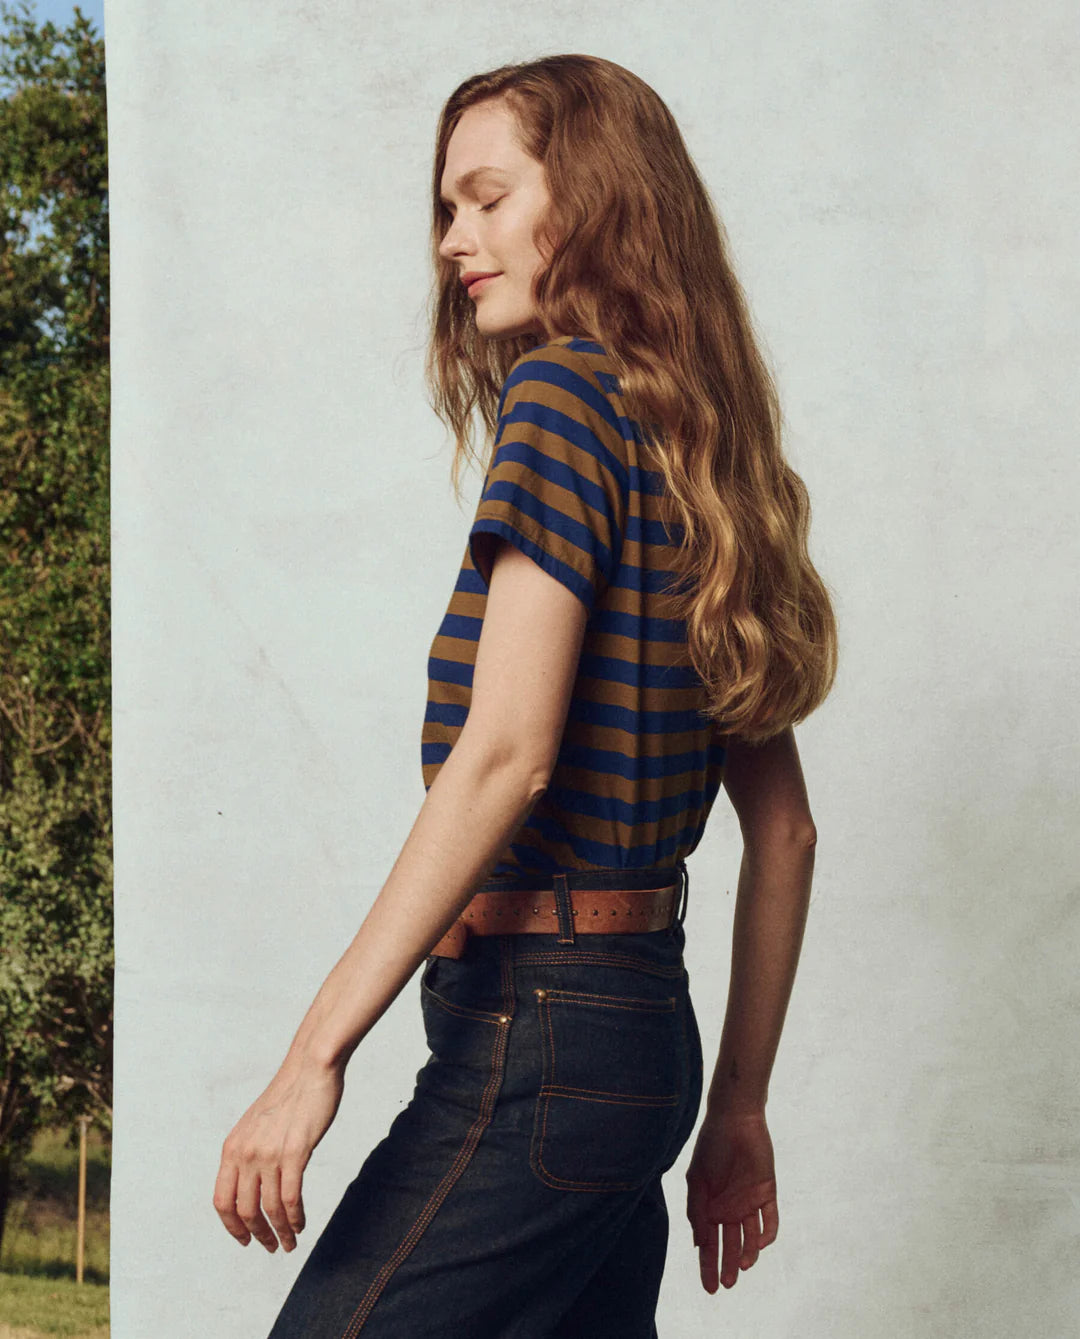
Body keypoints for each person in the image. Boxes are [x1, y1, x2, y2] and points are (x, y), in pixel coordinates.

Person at [213, 53, 837, 1338]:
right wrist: (737, 1105)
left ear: (596, 201)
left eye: (488, 199)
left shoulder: (559, 400)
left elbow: (506, 755)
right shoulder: (694, 444)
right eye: (447, 210)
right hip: (639, 1044)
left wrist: (311, 1056)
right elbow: (785, 831)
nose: (454, 241)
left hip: (540, 1035)